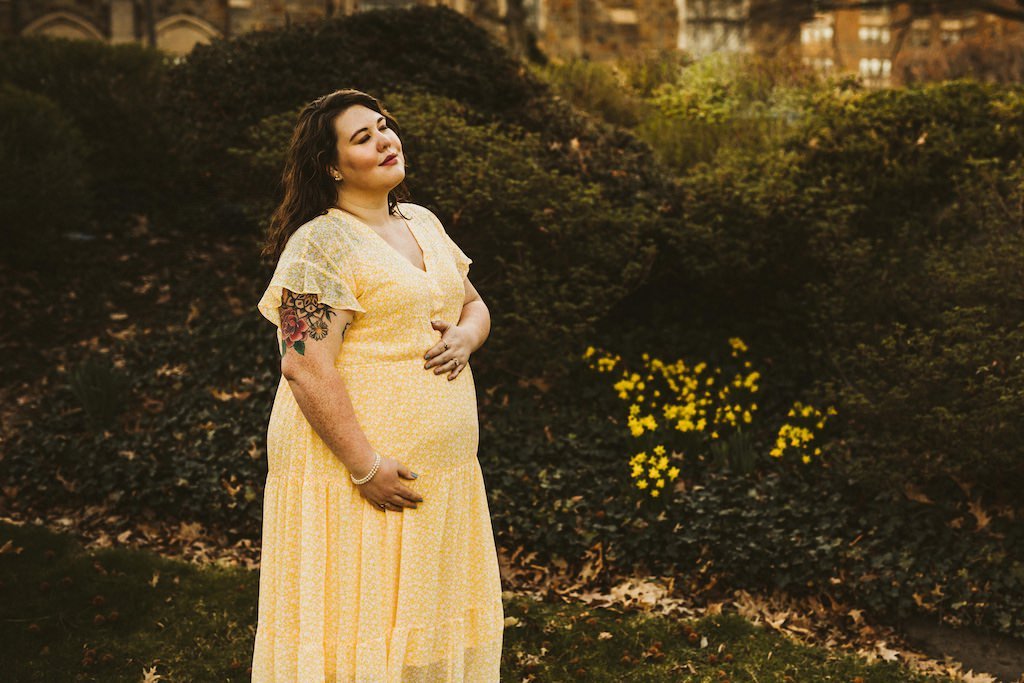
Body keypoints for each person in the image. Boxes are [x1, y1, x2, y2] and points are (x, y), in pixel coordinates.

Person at [251, 89, 504, 682]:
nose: (386, 140)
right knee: (357, 626)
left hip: (440, 472)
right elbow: (303, 364)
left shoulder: (422, 222)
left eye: (384, 127)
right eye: (362, 137)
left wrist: (467, 337)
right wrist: (365, 467)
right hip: (354, 472)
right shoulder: (318, 247)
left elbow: (474, 305)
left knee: (419, 624)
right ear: (332, 167)